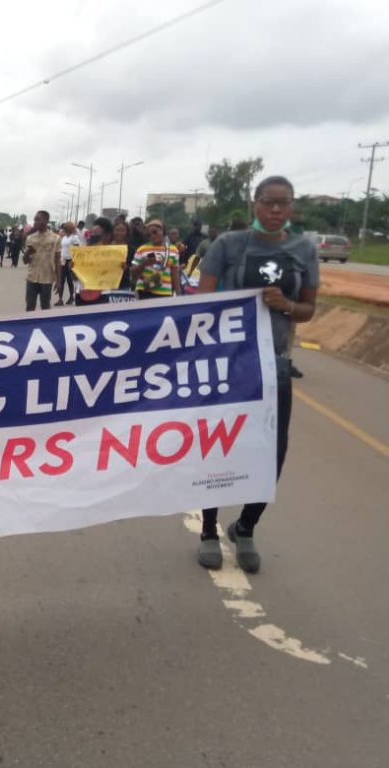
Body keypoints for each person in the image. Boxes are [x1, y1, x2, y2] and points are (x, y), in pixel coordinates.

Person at [196, 175, 319, 573]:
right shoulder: (226, 246)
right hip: (228, 365)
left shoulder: (304, 250)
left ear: (292, 206)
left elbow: (307, 310)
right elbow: (201, 304)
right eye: (269, 202)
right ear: (255, 204)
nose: (276, 210)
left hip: (275, 366)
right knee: (219, 446)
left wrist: (285, 304)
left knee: (272, 452)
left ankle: (246, 526)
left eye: (284, 203)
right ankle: (209, 530)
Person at [130, 219, 181, 300]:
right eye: (149, 234)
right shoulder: (141, 249)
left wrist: (178, 295)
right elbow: (133, 273)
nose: (153, 236)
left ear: (163, 231)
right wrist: (144, 263)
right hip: (144, 291)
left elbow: (175, 274)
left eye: (155, 232)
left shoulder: (173, 250)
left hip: (165, 292)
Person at [23, 211, 61, 311]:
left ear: (46, 220)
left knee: (45, 306)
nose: (35, 222)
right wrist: (28, 253)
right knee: (30, 306)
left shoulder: (55, 238)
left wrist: (59, 281)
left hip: (47, 277)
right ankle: (29, 325)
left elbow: (58, 260)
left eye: (37, 219)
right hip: (32, 277)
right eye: (35, 219)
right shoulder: (30, 238)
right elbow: (25, 261)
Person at [57, 222, 81, 305]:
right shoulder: (64, 238)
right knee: (61, 280)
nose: (64, 229)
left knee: (70, 280)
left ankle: (71, 296)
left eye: (66, 227)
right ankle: (60, 299)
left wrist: (73, 260)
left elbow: (77, 250)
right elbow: (62, 249)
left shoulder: (74, 238)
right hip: (63, 260)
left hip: (70, 261)